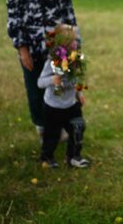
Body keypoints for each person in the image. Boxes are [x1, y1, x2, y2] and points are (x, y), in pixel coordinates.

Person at [7, 0, 79, 141]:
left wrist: (72, 46)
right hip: (31, 49)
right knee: (35, 90)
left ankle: (63, 125)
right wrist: (23, 50)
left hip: (58, 49)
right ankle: (42, 128)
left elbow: (69, 16)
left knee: (62, 86)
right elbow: (14, 21)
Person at [37, 24, 90, 168]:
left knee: (78, 127)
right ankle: (47, 157)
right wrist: (52, 80)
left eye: (74, 40)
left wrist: (80, 93)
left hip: (71, 104)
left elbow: (79, 77)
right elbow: (40, 82)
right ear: (61, 45)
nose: (74, 44)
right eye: (70, 42)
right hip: (53, 106)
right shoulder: (52, 62)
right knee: (52, 135)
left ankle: (73, 157)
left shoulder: (76, 59)